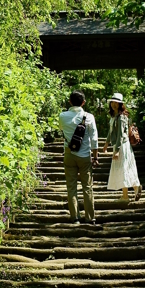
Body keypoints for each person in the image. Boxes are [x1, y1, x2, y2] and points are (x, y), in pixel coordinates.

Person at [58, 90, 99, 224]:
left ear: (69, 101)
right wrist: (95, 156)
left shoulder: (62, 116)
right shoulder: (89, 117)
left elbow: (62, 130)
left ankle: (75, 217)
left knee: (71, 187)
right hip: (85, 155)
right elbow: (94, 139)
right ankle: (90, 217)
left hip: (69, 154)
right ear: (83, 102)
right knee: (87, 187)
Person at [104, 92, 141, 202]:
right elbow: (111, 132)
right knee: (124, 168)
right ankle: (136, 187)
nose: (114, 104)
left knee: (122, 168)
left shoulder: (120, 117)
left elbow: (120, 135)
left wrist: (116, 150)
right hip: (120, 146)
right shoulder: (114, 116)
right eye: (113, 102)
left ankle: (125, 196)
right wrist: (106, 143)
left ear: (120, 104)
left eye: (117, 103)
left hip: (122, 146)